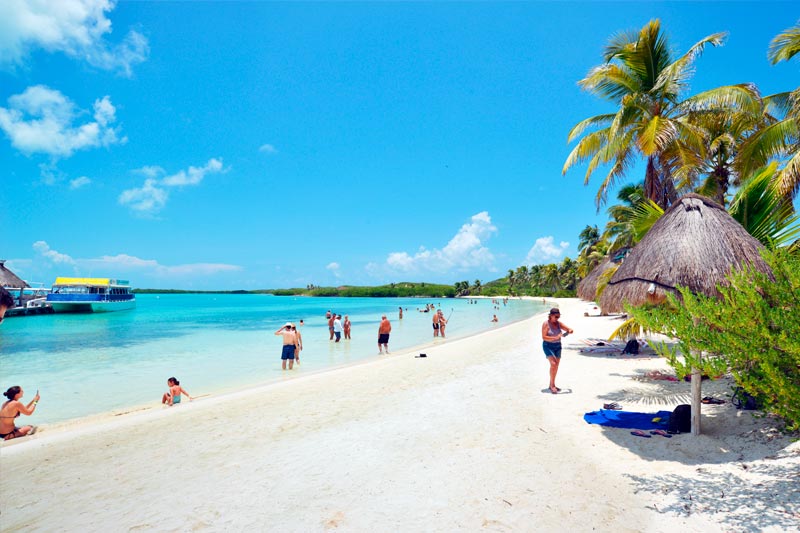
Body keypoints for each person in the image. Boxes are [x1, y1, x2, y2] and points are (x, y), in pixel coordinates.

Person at [541, 308, 573, 394]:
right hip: (548, 346)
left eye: (558, 316)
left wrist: (569, 331)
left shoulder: (559, 323)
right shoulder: (546, 324)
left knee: (556, 366)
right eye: (556, 316)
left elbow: (569, 329)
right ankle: (552, 386)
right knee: (553, 364)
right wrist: (555, 337)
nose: (557, 318)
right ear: (550, 316)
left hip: (558, 346)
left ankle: (552, 384)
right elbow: (544, 337)